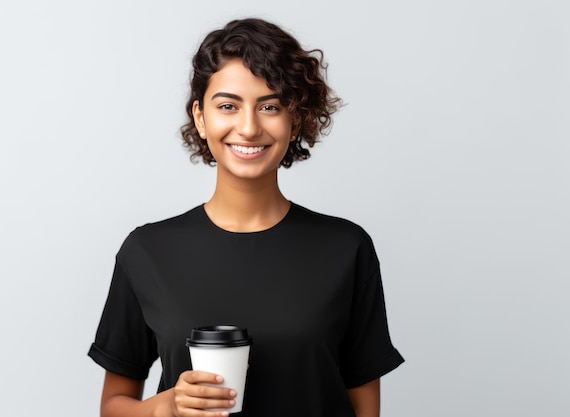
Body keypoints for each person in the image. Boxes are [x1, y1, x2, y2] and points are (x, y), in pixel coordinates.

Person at [88, 17, 404, 417]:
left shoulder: (346, 248)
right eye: (228, 106)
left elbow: (365, 408)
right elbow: (113, 407)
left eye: (270, 106)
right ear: (201, 118)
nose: (249, 127)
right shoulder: (146, 252)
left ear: (296, 119)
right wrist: (164, 407)